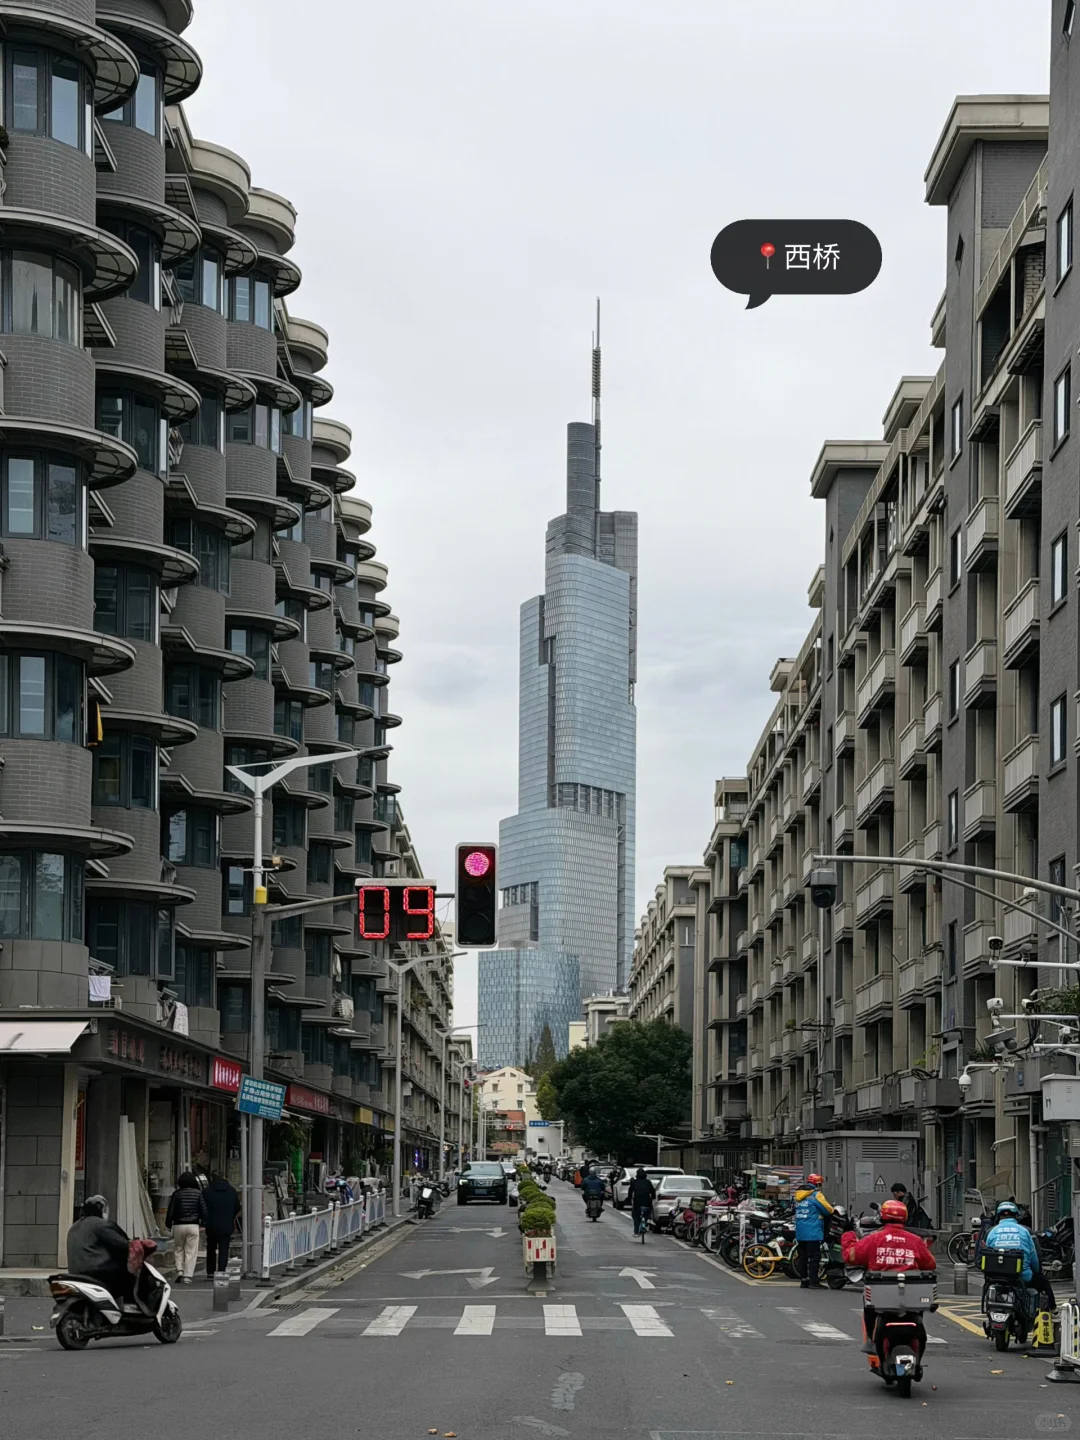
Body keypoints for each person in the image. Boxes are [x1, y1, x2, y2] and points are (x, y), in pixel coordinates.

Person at [842, 1197, 936, 1353]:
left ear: (882, 1217)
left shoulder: (874, 1239)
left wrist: (848, 1234)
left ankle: (871, 1341)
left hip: (881, 1293)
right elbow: (930, 1264)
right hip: (912, 1294)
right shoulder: (915, 1241)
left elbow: (851, 1256)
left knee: (869, 1306)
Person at [980, 1199, 1056, 1315]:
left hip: (995, 1278)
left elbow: (983, 1255)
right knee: (1044, 1283)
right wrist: (1037, 1271)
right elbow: (1034, 1257)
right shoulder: (1025, 1231)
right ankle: (1054, 1311)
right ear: (1016, 1216)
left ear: (999, 1217)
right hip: (1022, 1277)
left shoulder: (991, 1232)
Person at [65, 1195, 134, 1302]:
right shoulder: (99, 1224)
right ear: (102, 1209)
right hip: (95, 1274)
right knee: (129, 1277)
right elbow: (123, 1245)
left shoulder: (74, 1226)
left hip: (75, 1274)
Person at [793, 1173, 835, 1288]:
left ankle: (804, 1280)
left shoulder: (798, 1196)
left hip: (801, 1232)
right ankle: (814, 1281)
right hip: (813, 1231)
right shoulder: (816, 1195)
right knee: (815, 1257)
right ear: (817, 1184)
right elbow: (828, 1210)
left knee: (803, 1256)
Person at [198, 1171, 241, 1280]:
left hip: (211, 1224)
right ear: (224, 1177)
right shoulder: (231, 1191)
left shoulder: (207, 1191)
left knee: (211, 1248)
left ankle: (210, 1272)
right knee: (224, 1248)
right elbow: (237, 1207)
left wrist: (204, 1219)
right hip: (226, 1224)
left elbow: (202, 1208)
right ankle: (222, 1270)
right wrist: (230, 1215)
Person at [165, 1171, 202, 1285]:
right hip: (193, 1225)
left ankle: (180, 1270)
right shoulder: (198, 1193)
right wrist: (204, 1222)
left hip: (178, 1225)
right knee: (191, 1251)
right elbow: (203, 1209)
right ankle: (187, 1276)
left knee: (178, 1248)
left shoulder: (176, 1194)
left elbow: (170, 1210)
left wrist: (168, 1223)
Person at [627, 1167, 656, 1232]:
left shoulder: (634, 1182)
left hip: (637, 1202)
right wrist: (653, 1198)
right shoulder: (648, 1182)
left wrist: (629, 1199)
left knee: (636, 1216)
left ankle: (636, 1230)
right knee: (647, 1213)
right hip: (647, 1202)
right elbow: (652, 1191)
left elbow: (630, 1191)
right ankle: (645, 1223)